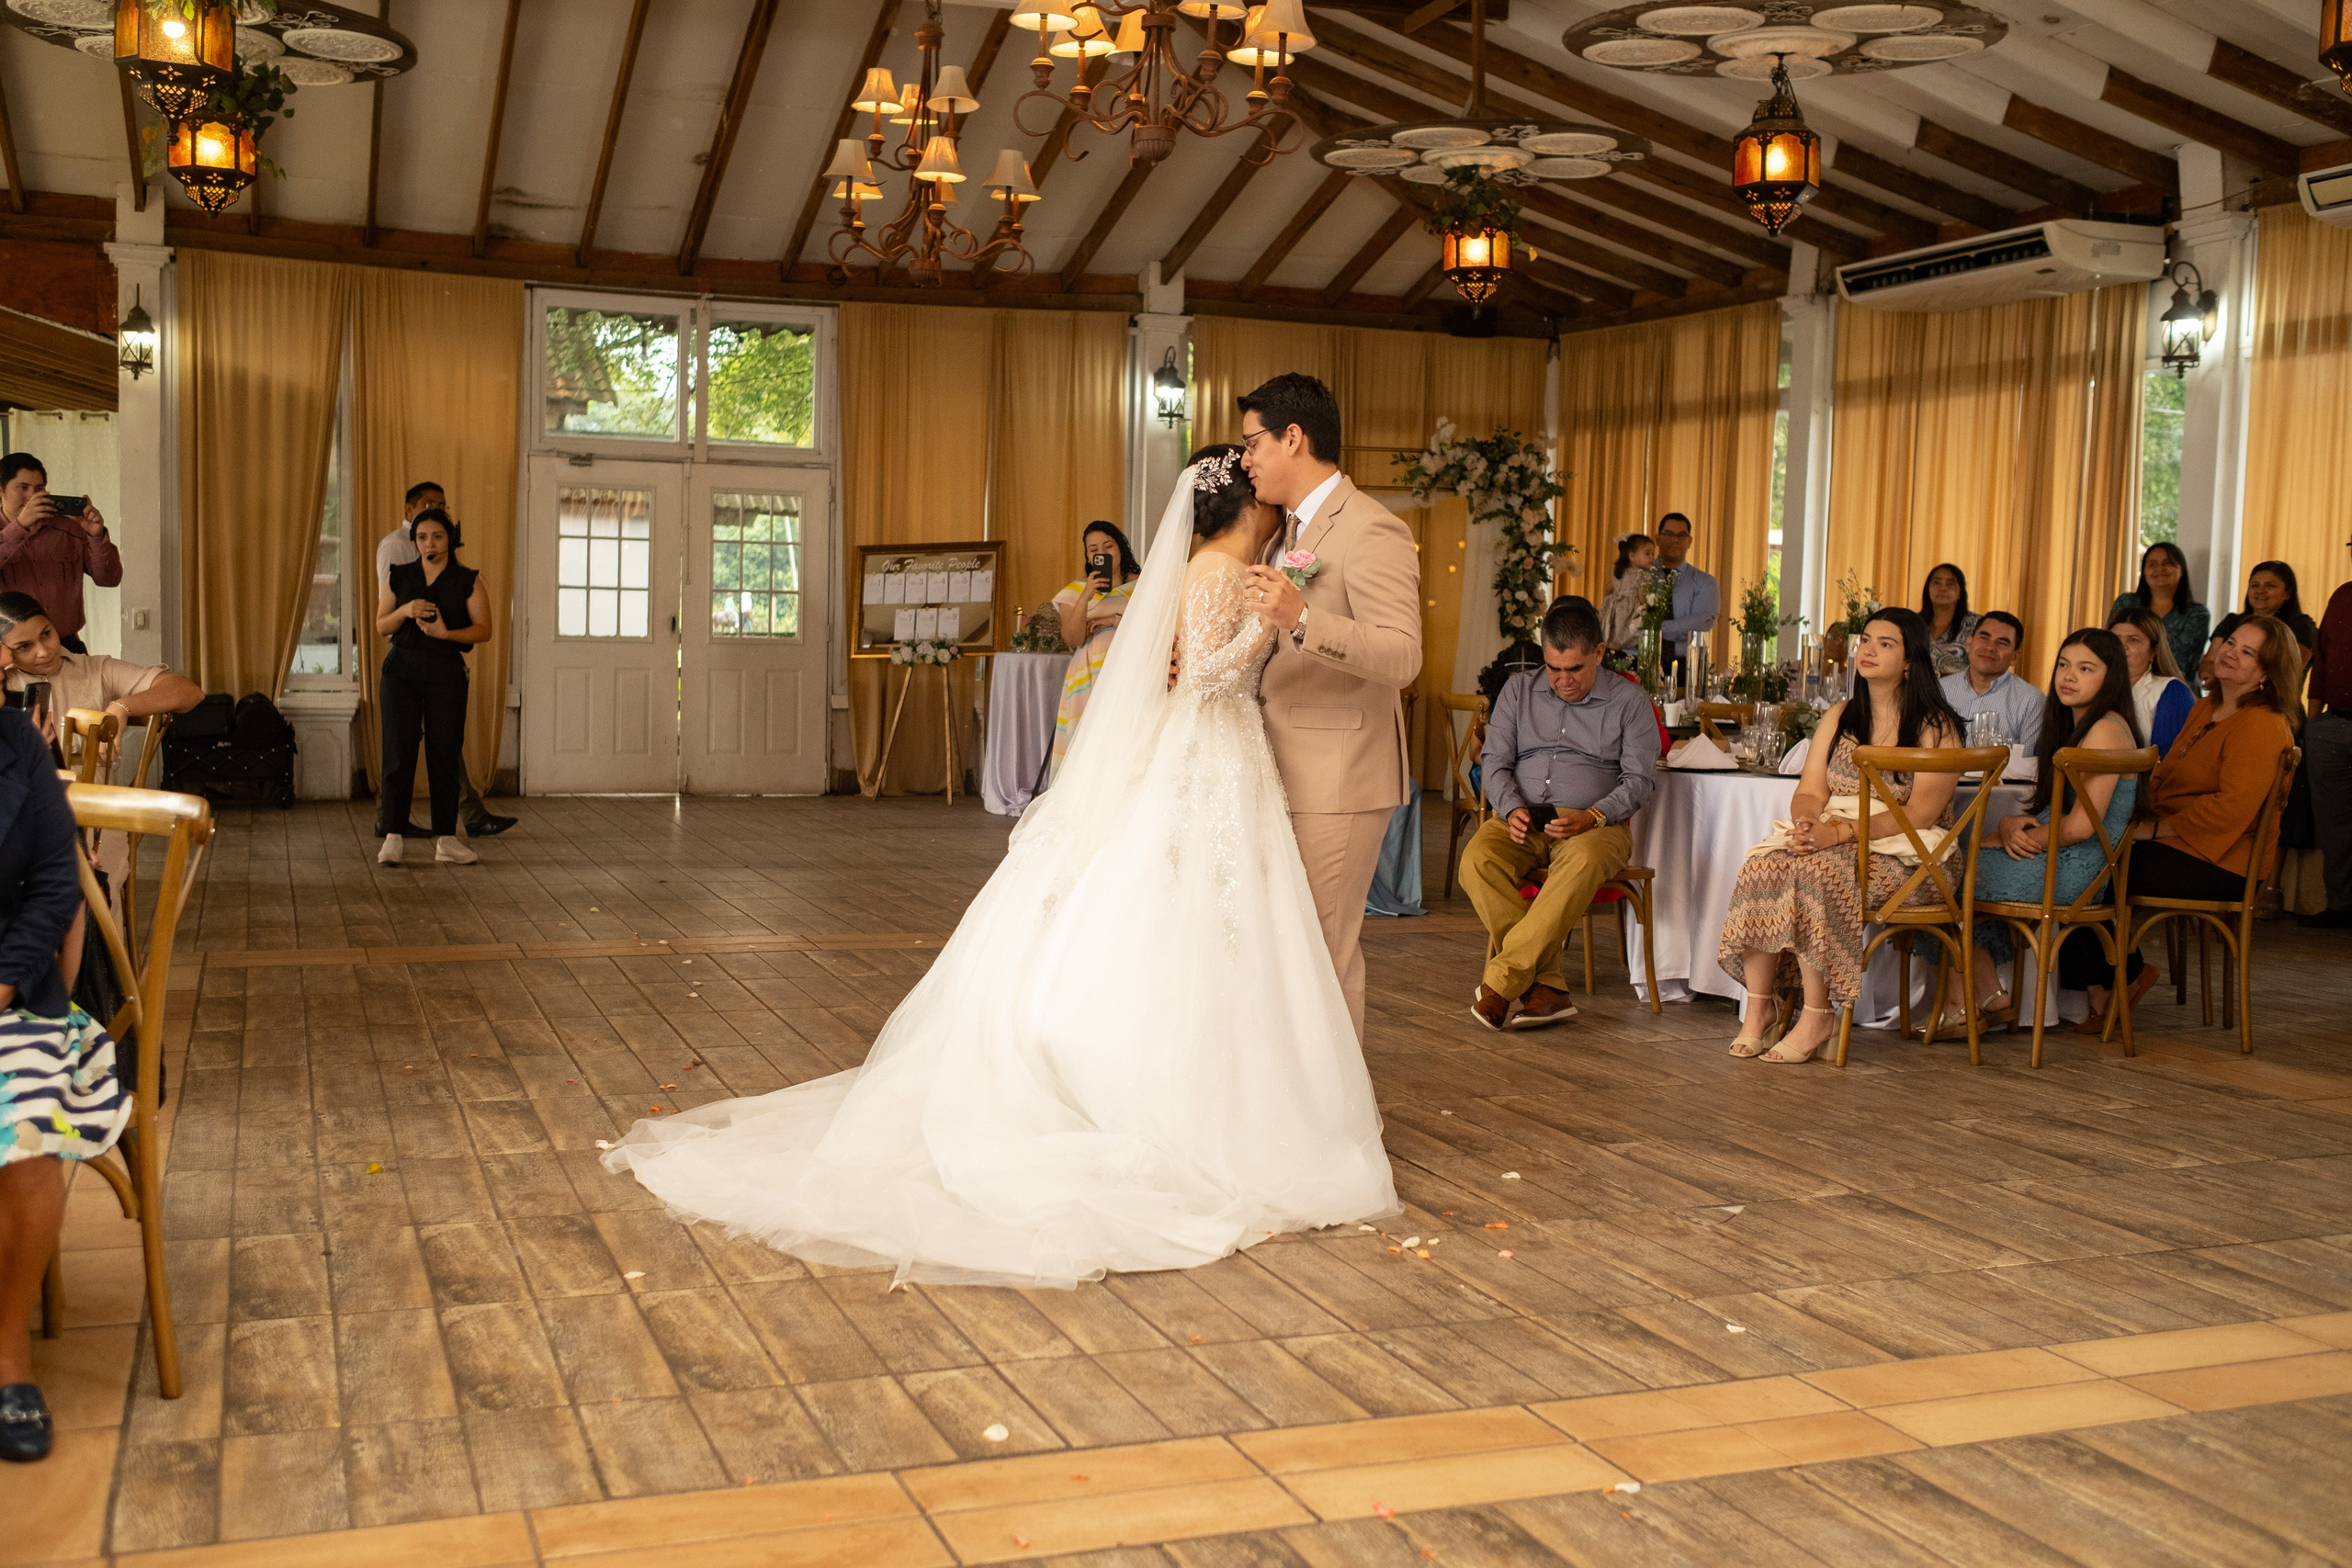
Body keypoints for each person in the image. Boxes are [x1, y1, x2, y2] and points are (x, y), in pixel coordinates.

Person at [600, 451, 1396, 1287]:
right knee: (1192, 914)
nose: (1276, 499)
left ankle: (1246, 1097)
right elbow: (1203, 675)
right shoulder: (1216, 572)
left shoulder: (1241, 568)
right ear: (1247, 505)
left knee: (1228, 923)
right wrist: (1271, 628)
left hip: (1231, 762)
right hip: (1207, 753)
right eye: (1264, 489)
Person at [1235, 372, 1424, 1043]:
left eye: (1253, 442)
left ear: (1294, 437)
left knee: (1322, 948)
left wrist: (1306, 617)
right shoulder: (1279, 532)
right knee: (1285, 949)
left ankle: (1338, 1121)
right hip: (1276, 763)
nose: (1246, 459)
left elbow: (1403, 655)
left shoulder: (1373, 528)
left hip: (1340, 772)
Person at [1719, 609, 1963, 1064]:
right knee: (1763, 864)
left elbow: (1921, 813)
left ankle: (1817, 1014)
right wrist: (1808, 823)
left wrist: (1840, 835)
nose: (1867, 650)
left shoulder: (1937, 725)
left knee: (1817, 872)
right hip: (1836, 832)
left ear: (1910, 660)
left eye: (1885, 644)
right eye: (1866, 640)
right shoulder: (1841, 715)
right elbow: (1811, 790)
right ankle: (1759, 1011)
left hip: (1914, 854)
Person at [0, 705, 126, 1463]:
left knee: (27, 1142)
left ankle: (10, 1352)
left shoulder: (20, 746)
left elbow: (56, 885)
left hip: (16, 996)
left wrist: (6, 982)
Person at [1460, 596, 1657, 1030]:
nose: (1563, 680)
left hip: (1596, 826)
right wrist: (1509, 807)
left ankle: (1501, 982)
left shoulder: (1630, 701)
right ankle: (1546, 986)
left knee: (1583, 861)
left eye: (1575, 669)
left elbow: (1639, 780)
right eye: (1554, 669)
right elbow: (1493, 760)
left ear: (1599, 653)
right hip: (1522, 817)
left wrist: (1594, 815)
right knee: (1476, 860)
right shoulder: (1518, 691)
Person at [1950, 629, 2146, 1032]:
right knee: (1958, 857)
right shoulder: (2084, 724)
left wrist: (2013, 835)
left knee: (1944, 874)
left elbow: (2078, 828)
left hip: (2076, 868)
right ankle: (1986, 997)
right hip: (2069, 856)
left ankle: (1969, 1003)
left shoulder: (2106, 730)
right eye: (2063, 665)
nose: (2068, 677)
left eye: (2085, 668)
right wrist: (2005, 828)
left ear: (2110, 678)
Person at [2124, 614, 2300, 912]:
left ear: (2267, 673)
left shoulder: (2262, 723)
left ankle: (2122, 961)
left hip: (2224, 862)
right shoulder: (2206, 707)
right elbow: (2165, 774)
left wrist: (2154, 830)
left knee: (2094, 867)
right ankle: (2121, 960)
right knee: (2090, 853)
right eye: (2231, 642)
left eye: (2247, 652)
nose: (2230, 652)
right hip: (2177, 843)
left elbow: (2231, 808)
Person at [375, 481, 515, 841]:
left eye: (437, 536)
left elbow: (484, 630)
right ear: (414, 535)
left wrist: (444, 634)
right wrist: (406, 609)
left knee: (444, 753)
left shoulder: (465, 579)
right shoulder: (399, 567)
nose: (429, 544)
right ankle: (391, 833)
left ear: (449, 538)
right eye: (423, 537)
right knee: (398, 752)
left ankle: (447, 837)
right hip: (402, 668)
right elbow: (381, 622)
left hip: (444, 671)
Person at [0, 592, 203, 773]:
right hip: (27, 806)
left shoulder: (97, 669)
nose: (44, 651)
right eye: (24, 647)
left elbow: (190, 693)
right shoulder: (3, 686)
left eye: (46, 634)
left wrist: (121, 707)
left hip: (96, 808)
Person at [1046, 520, 1141, 782]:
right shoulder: (1075, 590)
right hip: (1089, 675)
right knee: (1087, 741)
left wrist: (1113, 621)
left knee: (1125, 738)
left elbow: (1156, 624)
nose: (1102, 553)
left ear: (1120, 548)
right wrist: (1087, 595)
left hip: (1132, 670)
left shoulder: (1145, 585)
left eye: (1108, 546)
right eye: (1093, 549)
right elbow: (1072, 637)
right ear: (1088, 556)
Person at [0, 454, 121, 656]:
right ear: (1, 491)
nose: (32, 496)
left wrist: (96, 535)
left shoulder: (68, 529)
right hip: (10, 652)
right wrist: (19, 526)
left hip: (68, 646)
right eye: (23, 488)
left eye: (39, 489)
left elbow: (109, 578)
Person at [2304, 543, 2352, 930]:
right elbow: (2321, 661)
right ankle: (2341, 904)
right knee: (2334, 822)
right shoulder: (2341, 596)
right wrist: (2311, 722)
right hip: (2332, 725)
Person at [1938, 612, 2041, 762]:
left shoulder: (2031, 700)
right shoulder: (1939, 689)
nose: (1990, 647)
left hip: (1999, 786)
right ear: (1969, 644)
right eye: (1984, 638)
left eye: (2002, 643)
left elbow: (2028, 765)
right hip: (1940, 784)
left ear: (2015, 657)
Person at [2109, 542, 2209, 692]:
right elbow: (2109, 646)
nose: (2159, 569)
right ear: (2144, 571)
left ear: (2181, 571)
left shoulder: (2197, 614)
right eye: (2152, 564)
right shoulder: (2126, 602)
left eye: (2168, 563)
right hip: (2122, 685)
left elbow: (2183, 666)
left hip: (2172, 689)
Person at [2199, 560, 2316, 686]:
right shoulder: (2232, 621)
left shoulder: (2301, 626)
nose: (2260, 591)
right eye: (2255, 585)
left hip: (2274, 703)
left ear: (2287, 593)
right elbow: (2209, 662)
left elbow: (2286, 672)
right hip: (2225, 700)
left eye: (2270, 586)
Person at [2109, 605, 2195, 758]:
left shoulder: (2171, 690)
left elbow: (2166, 761)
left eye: (2133, 640)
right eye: (2115, 639)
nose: (2122, 647)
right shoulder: (2094, 686)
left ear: (2154, 650)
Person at [1651, 512, 1719, 671]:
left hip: (1686, 665)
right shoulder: (1639, 576)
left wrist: (1653, 630)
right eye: (1669, 534)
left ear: (1689, 541)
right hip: (1640, 659)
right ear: (1657, 538)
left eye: (1682, 535)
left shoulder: (1705, 582)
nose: (1675, 540)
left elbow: (1700, 623)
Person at [1598, 533, 1657, 651]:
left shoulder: (1620, 571)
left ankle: (1613, 645)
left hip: (1615, 607)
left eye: (1652, 554)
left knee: (1613, 629)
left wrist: (1609, 601)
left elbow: (1608, 588)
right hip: (1628, 609)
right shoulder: (1642, 575)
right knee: (1627, 630)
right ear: (1632, 556)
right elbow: (1643, 597)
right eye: (1647, 554)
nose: (1651, 557)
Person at [1918, 562, 1978, 678]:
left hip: (1959, 690)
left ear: (1961, 592)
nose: (1943, 589)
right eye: (1937, 583)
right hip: (1918, 690)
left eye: (1950, 584)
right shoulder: (1914, 623)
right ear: (1928, 589)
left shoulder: (1977, 625)